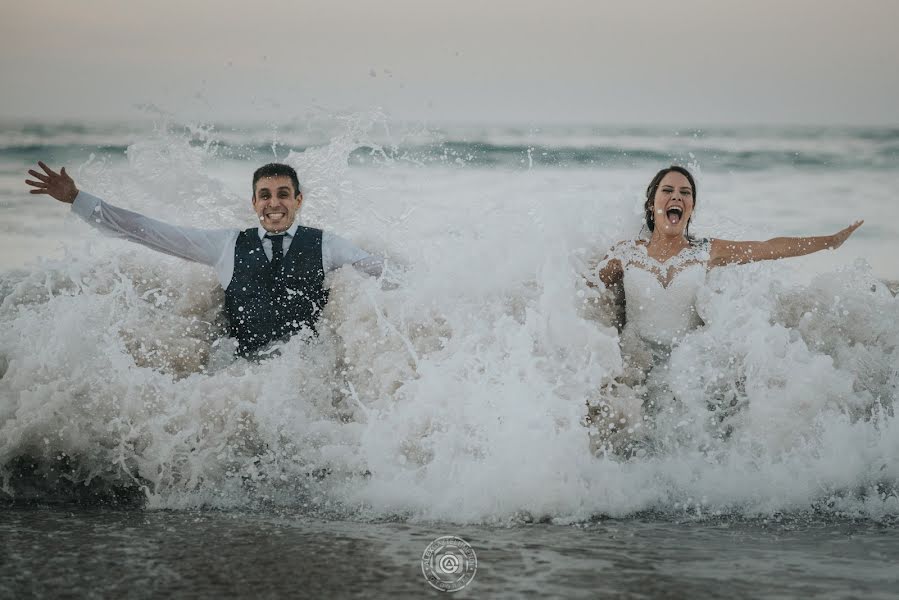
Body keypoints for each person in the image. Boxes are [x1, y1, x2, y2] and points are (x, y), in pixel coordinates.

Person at [586, 165, 863, 453]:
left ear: (691, 207)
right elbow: (589, 290)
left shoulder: (706, 250)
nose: (676, 197)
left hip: (688, 370)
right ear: (651, 202)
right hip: (637, 366)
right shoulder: (626, 253)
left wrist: (829, 242)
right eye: (667, 191)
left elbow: (769, 248)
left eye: (685, 193)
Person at [26, 161, 384, 359]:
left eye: (283, 194)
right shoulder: (226, 245)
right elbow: (147, 231)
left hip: (307, 378)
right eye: (265, 195)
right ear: (254, 203)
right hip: (243, 382)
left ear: (298, 200)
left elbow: (380, 274)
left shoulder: (327, 245)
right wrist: (77, 199)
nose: (274, 203)